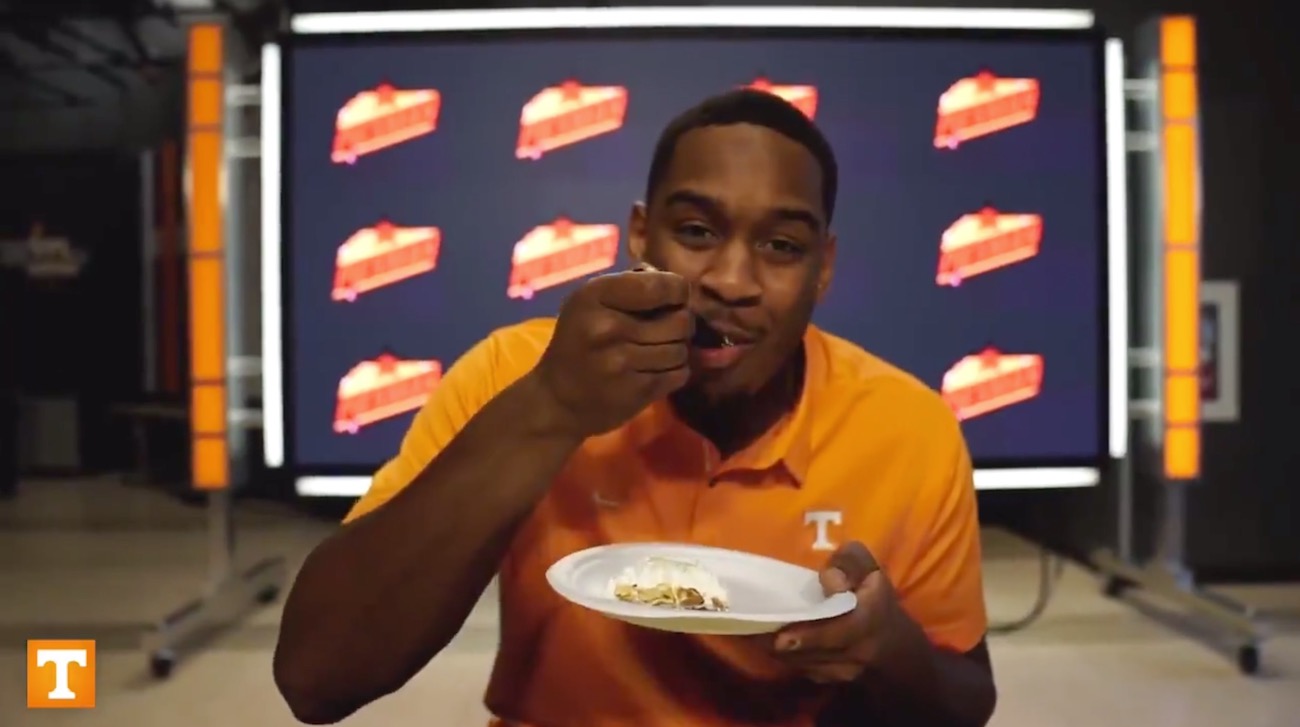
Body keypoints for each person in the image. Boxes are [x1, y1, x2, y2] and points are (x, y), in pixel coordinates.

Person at [274, 89, 996, 727]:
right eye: (697, 232)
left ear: (823, 269)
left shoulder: (909, 427)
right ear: (641, 236)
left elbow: (964, 703)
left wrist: (885, 648)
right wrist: (552, 407)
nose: (731, 280)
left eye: (781, 246)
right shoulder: (516, 375)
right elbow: (316, 677)